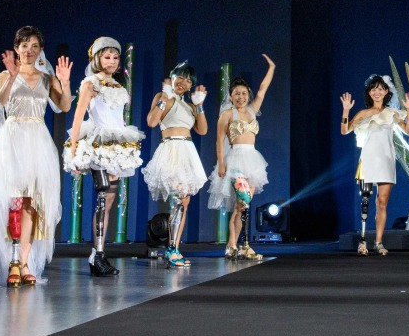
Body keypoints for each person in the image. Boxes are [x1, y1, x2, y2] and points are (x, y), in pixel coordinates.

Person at [0, 26, 72, 286]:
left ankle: (24, 262)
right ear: (16, 48)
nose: (29, 50)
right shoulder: (4, 75)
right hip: (13, 137)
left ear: (40, 50)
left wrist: (65, 82)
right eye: (24, 45)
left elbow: (64, 106)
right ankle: (11, 261)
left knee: (31, 204)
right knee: (13, 200)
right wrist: (12, 77)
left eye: (35, 46)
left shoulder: (47, 78)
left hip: (38, 139)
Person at [64, 37, 143, 276]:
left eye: (115, 57)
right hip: (98, 141)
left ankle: (98, 253)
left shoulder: (118, 86)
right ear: (97, 58)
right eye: (106, 56)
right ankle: (97, 255)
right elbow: (78, 115)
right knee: (102, 195)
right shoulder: (91, 83)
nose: (111, 61)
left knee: (109, 200)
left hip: (117, 143)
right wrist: (74, 147)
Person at [208, 55, 276, 260]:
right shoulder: (227, 115)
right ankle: (232, 244)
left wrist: (272, 67)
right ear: (230, 96)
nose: (240, 97)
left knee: (243, 205)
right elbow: (219, 140)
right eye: (236, 93)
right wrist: (221, 163)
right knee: (241, 201)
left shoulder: (252, 111)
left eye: (244, 93)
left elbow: (263, 88)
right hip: (236, 159)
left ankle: (241, 244)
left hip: (252, 159)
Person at [142, 62, 209, 268]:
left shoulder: (189, 106)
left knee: (184, 201)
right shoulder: (163, 97)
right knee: (180, 201)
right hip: (171, 150)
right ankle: (171, 249)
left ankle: (174, 248)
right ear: (172, 77)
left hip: (187, 151)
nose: (184, 82)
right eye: (181, 77)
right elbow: (152, 122)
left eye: (188, 80)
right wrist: (164, 96)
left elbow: (203, 130)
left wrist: (199, 105)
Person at [340, 75, 409, 255]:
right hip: (368, 159)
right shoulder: (363, 113)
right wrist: (345, 110)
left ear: (386, 92)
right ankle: (363, 241)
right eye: (374, 89)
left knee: (382, 202)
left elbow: (408, 131)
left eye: (380, 89)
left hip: (386, 159)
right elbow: (344, 130)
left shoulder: (391, 113)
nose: (377, 92)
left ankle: (379, 242)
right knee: (365, 202)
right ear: (369, 92)